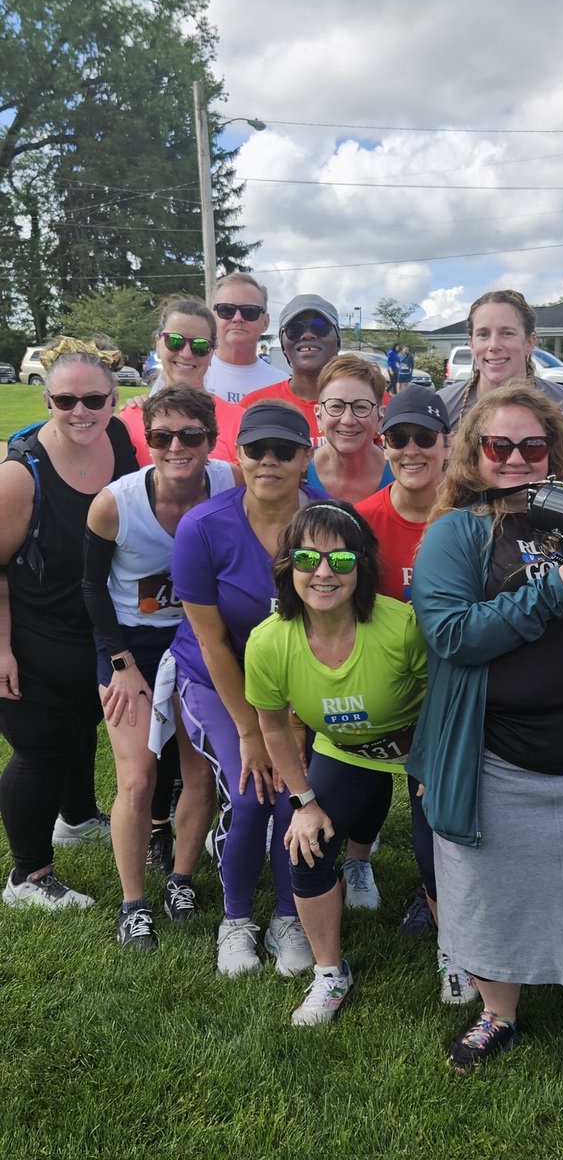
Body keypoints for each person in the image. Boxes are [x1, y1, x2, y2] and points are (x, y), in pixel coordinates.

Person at [408, 382, 563, 1140]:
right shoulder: (455, 532)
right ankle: (497, 1014)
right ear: (475, 456)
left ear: (555, 448)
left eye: (532, 446)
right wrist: (548, 594)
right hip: (491, 755)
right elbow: (451, 634)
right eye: (498, 447)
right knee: (490, 895)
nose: (516, 459)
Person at [244, 502, 428, 1026]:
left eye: (340, 560)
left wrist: (436, 771)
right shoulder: (269, 640)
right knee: (307, 846)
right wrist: (302, 802)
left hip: (419, 747)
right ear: (289, 567)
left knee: (439, 848)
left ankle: (453, 956)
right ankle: (330, 971)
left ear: (362, 566)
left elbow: (441, 697)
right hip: (343, 749)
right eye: (308, 558)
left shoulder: (400, 625)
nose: (323, 572)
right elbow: (274, 726)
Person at [82, 386, 239, 949]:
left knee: (199, 772)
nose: (177, 446)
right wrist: (121, 662)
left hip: (198, 638)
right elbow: (91, 585)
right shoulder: (114, 503)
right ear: (147, 442)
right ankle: (133, 904)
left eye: (190, 435)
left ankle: (181, 878)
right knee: (139, 776)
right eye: (162, 436)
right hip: (131, 644)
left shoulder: (229, 482)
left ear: (211, 439)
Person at [170, 402, 315, 976]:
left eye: (285, 450)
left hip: (296, 685)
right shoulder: (203, 526)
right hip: (217, 678)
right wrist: (254, 731)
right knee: (253, 785)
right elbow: (211, 643)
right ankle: (235, 920)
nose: (270, 461)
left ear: (307, 456)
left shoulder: (327, 521)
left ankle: (287, 915)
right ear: (239, 455)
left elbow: (332, 627)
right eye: (257, 450)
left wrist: (297, 723)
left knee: (295, 792)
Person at [0, 340, 137, 908]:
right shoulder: (19, 475)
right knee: (41, 750)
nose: (80, 411)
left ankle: (77, 819)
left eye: (93, 399)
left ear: (114, 399)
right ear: (46, 399)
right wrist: (1, 649)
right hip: (32, 635)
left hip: (97, 628)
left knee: (80, 726)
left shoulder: (125, 441)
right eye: (64, 400)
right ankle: (27, 878)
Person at [354, 386, 473, 1002]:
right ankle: (359, 869)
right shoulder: (367, 522)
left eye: (424, 437)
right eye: (397, 438)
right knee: (355, 795)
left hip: (461, 687)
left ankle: (454, 928)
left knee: (442, 816)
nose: (410, 449)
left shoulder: (473, 515)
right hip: (389, 689)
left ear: (447, 443)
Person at [120, 298, 242, 465]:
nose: (186, 354)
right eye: (175, 341)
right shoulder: (128, 421)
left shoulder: (239, 422)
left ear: (213, 351)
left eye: (200, 345)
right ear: (158, 343)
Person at [438, 290, 563, 430]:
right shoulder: (444, 405)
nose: (493, 346)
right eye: (483, 334)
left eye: (507, 333)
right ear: (472, 344)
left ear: (529, 342)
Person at [239, 294, 342, 447]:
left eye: (320, 326)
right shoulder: (253, 406)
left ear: (338, 340)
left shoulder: (371, 403)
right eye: (295, 329)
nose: (307, 335)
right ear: (283, 345)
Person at [306, 353, 392, 501]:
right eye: (336, 406)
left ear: (380, 417)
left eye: (361, 407)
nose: (348, 420)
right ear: (318, 416)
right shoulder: (299, 476)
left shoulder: (400, 476)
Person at [205, 272, 278, 403]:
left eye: (249, 311)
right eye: (226, 310)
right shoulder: (189, 375)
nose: (237, 318)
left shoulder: (281, 383)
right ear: (212, 318)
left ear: (265, 322)